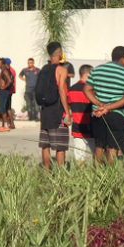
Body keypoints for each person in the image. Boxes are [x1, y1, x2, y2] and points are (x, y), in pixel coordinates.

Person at [84, 46, 124, 164]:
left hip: (98, 114)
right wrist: (108, 107)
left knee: (99, 146)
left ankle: (97, 177)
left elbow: (87, 89)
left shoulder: (97, 70)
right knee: (113, 148)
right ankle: (109, 179)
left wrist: (99, 104)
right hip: (117, 115)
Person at [36, 41, 70, 170]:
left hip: (45, 111)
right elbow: (62, 91)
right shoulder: (61, 70)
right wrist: (67, 111)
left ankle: (46, 172)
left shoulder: (44, 69)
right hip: (57, 111)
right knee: (60, 146)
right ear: (60, 54)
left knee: (46, 145)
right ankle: (61, 174)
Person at [68, 64, 95, 163]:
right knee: (96, 153)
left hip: (77, 127)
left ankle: (80, 175)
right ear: (88, 74)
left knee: (79, 154)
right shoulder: (91, 91)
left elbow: (68, 106)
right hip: (91, 126)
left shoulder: (71, 89)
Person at [19, 58, 40, 122]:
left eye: (30, 63)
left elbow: (42, 77)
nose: (29, 64)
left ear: (33, 63)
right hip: (28, 90)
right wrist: (24, 79)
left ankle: (37, 117)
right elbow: (20, 75)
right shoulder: (25, 70)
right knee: (29, 105)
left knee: (36, 105)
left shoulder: (37, 70)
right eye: (28, 63)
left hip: (35, 90)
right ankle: (31, 117)